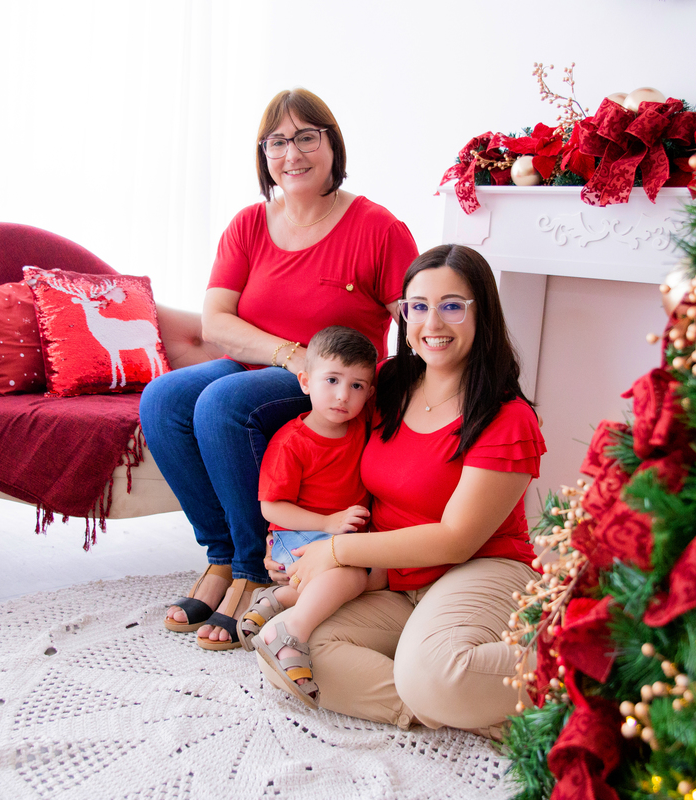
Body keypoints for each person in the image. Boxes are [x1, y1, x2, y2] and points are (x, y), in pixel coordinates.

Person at [138, 88, 418, 650]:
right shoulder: (248, 224)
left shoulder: (377, 228)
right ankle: (221, 556)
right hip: (264, 367)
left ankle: (252, 571)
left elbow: (415, 322)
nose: (292, 154)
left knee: (223, 404)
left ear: (333, 145)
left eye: (307, 137)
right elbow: (216, 320)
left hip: (333, 385)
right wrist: (291, 355)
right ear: (263, 154)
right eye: (277, 142)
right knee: (163, 399)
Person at [258, 244, 545, 739]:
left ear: (483, 313)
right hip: (395, 576)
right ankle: (468, 709)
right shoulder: (389, 384)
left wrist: (335, 551)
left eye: (452, 305)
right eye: (418, 306)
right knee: (291, 649)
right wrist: (294, 542)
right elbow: (329, 451)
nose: (433, 322)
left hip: (480, 567)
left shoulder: (507, 417)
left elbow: (457, 539)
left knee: (434, 672)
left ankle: (572, 669)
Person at [235, 326, 387, 709]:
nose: (342, 395)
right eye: (331, 380)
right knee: (353, 575)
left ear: (369, 393)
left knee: (378, 578)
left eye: (356, 386)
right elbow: (271, 508)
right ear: (305, 381)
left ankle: (282, 597)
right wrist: (327, 523)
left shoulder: (363, 427)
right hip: (298, 536)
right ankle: (289, 633)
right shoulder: (292, 442)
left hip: (337, 539)